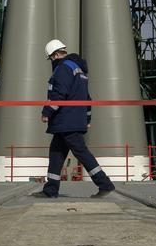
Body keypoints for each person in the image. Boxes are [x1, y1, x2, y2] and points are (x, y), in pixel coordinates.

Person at [34, 39, 115, 199]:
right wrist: (87, 118)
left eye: (51, 58)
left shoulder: (62, 69)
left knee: (82, 153)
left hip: (66, 121)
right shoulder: (79, 70)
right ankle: (50, 189)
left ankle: (105, 184)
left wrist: (47, 112)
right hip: (70, 121)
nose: (51, 61)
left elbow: (59, 94)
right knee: (56, 153)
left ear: (56, 54)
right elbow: (87, 98)